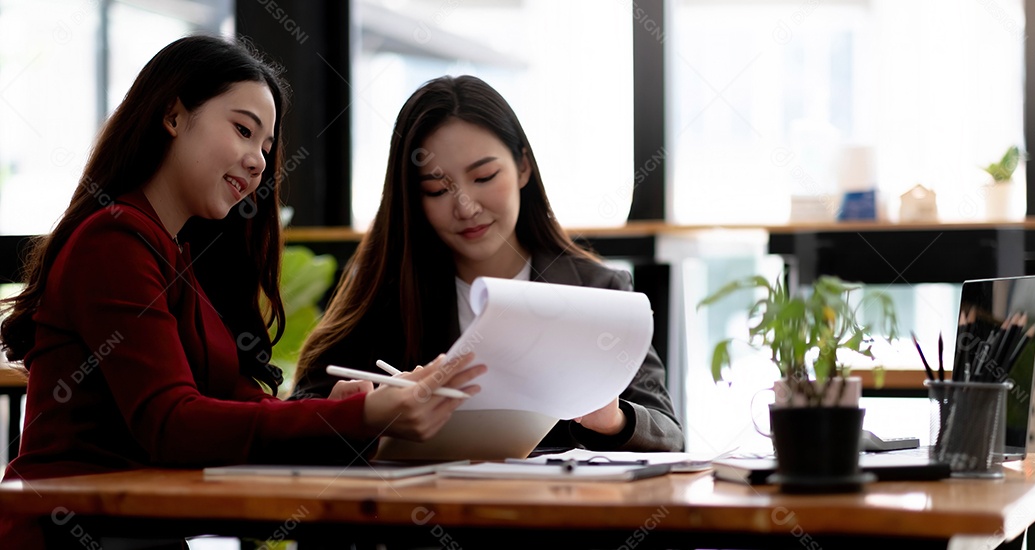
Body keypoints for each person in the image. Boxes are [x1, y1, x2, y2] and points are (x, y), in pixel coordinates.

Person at [0, 36, 483, 549]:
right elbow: (172, 423)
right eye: (243, 130)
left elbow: (226, 404)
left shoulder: (173, 252)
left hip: (129, 529)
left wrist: (346, 410)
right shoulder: (114, 241)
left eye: (266, 147)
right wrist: (358, 416)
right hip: (69, 532)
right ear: (173, 116)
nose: (258, 161)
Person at [292, 75, 683, 452]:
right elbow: (298, 411)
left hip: (561, 509)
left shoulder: (597, 291)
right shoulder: (387, 292)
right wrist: (354, 412)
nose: (465, 207)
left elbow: (668, 434)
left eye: (484, 176)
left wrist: (613, 420)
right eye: (437, 188)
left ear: (523, 168)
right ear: (413, 198)